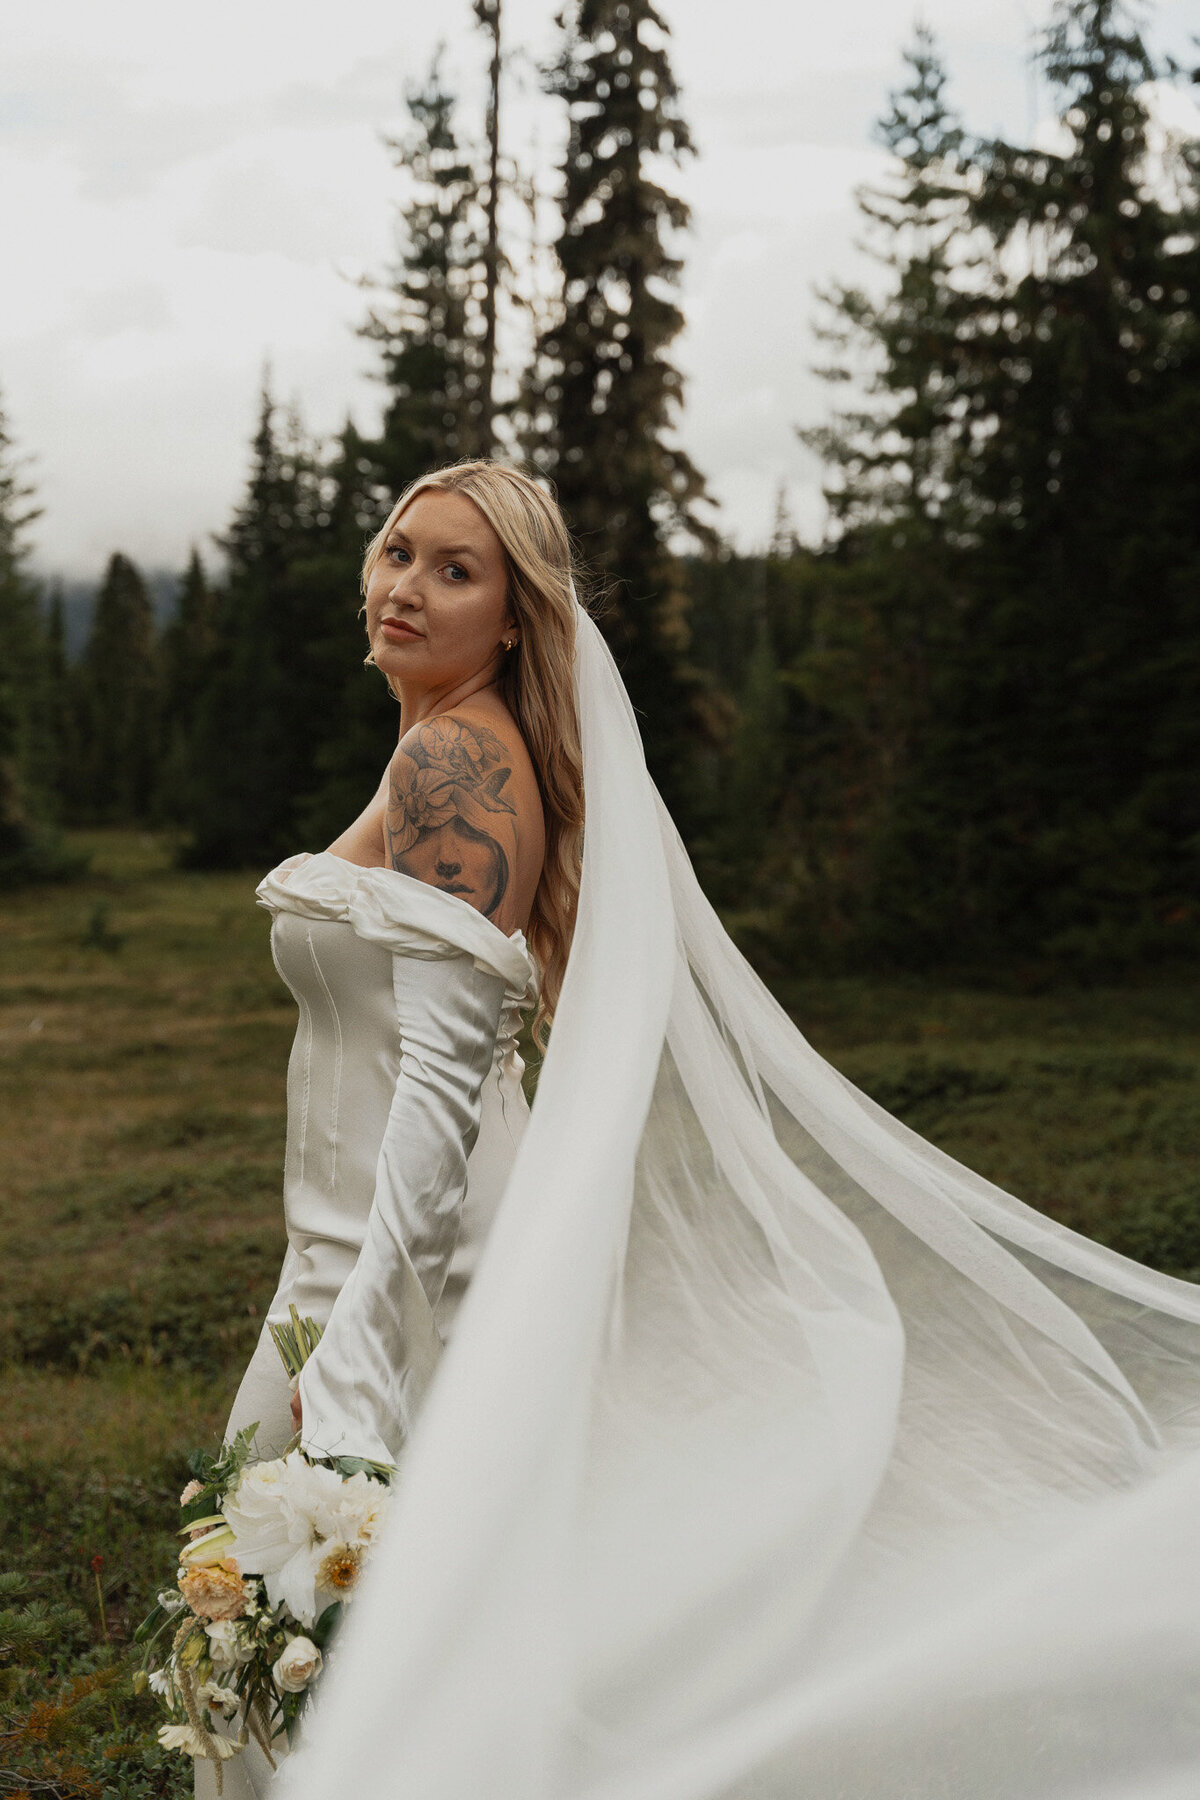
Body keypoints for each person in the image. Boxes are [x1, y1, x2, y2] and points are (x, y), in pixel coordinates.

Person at [207, 462, 1200, 1800]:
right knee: (341, 1587)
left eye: (456, 571)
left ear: (513, 617)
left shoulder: (456, 756)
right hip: (362, 1228)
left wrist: (366, 1339)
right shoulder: (438, 741)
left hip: (404, 1241)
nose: (405, 587)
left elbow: (438, 1084)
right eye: (396, 553)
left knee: (356, 1573)